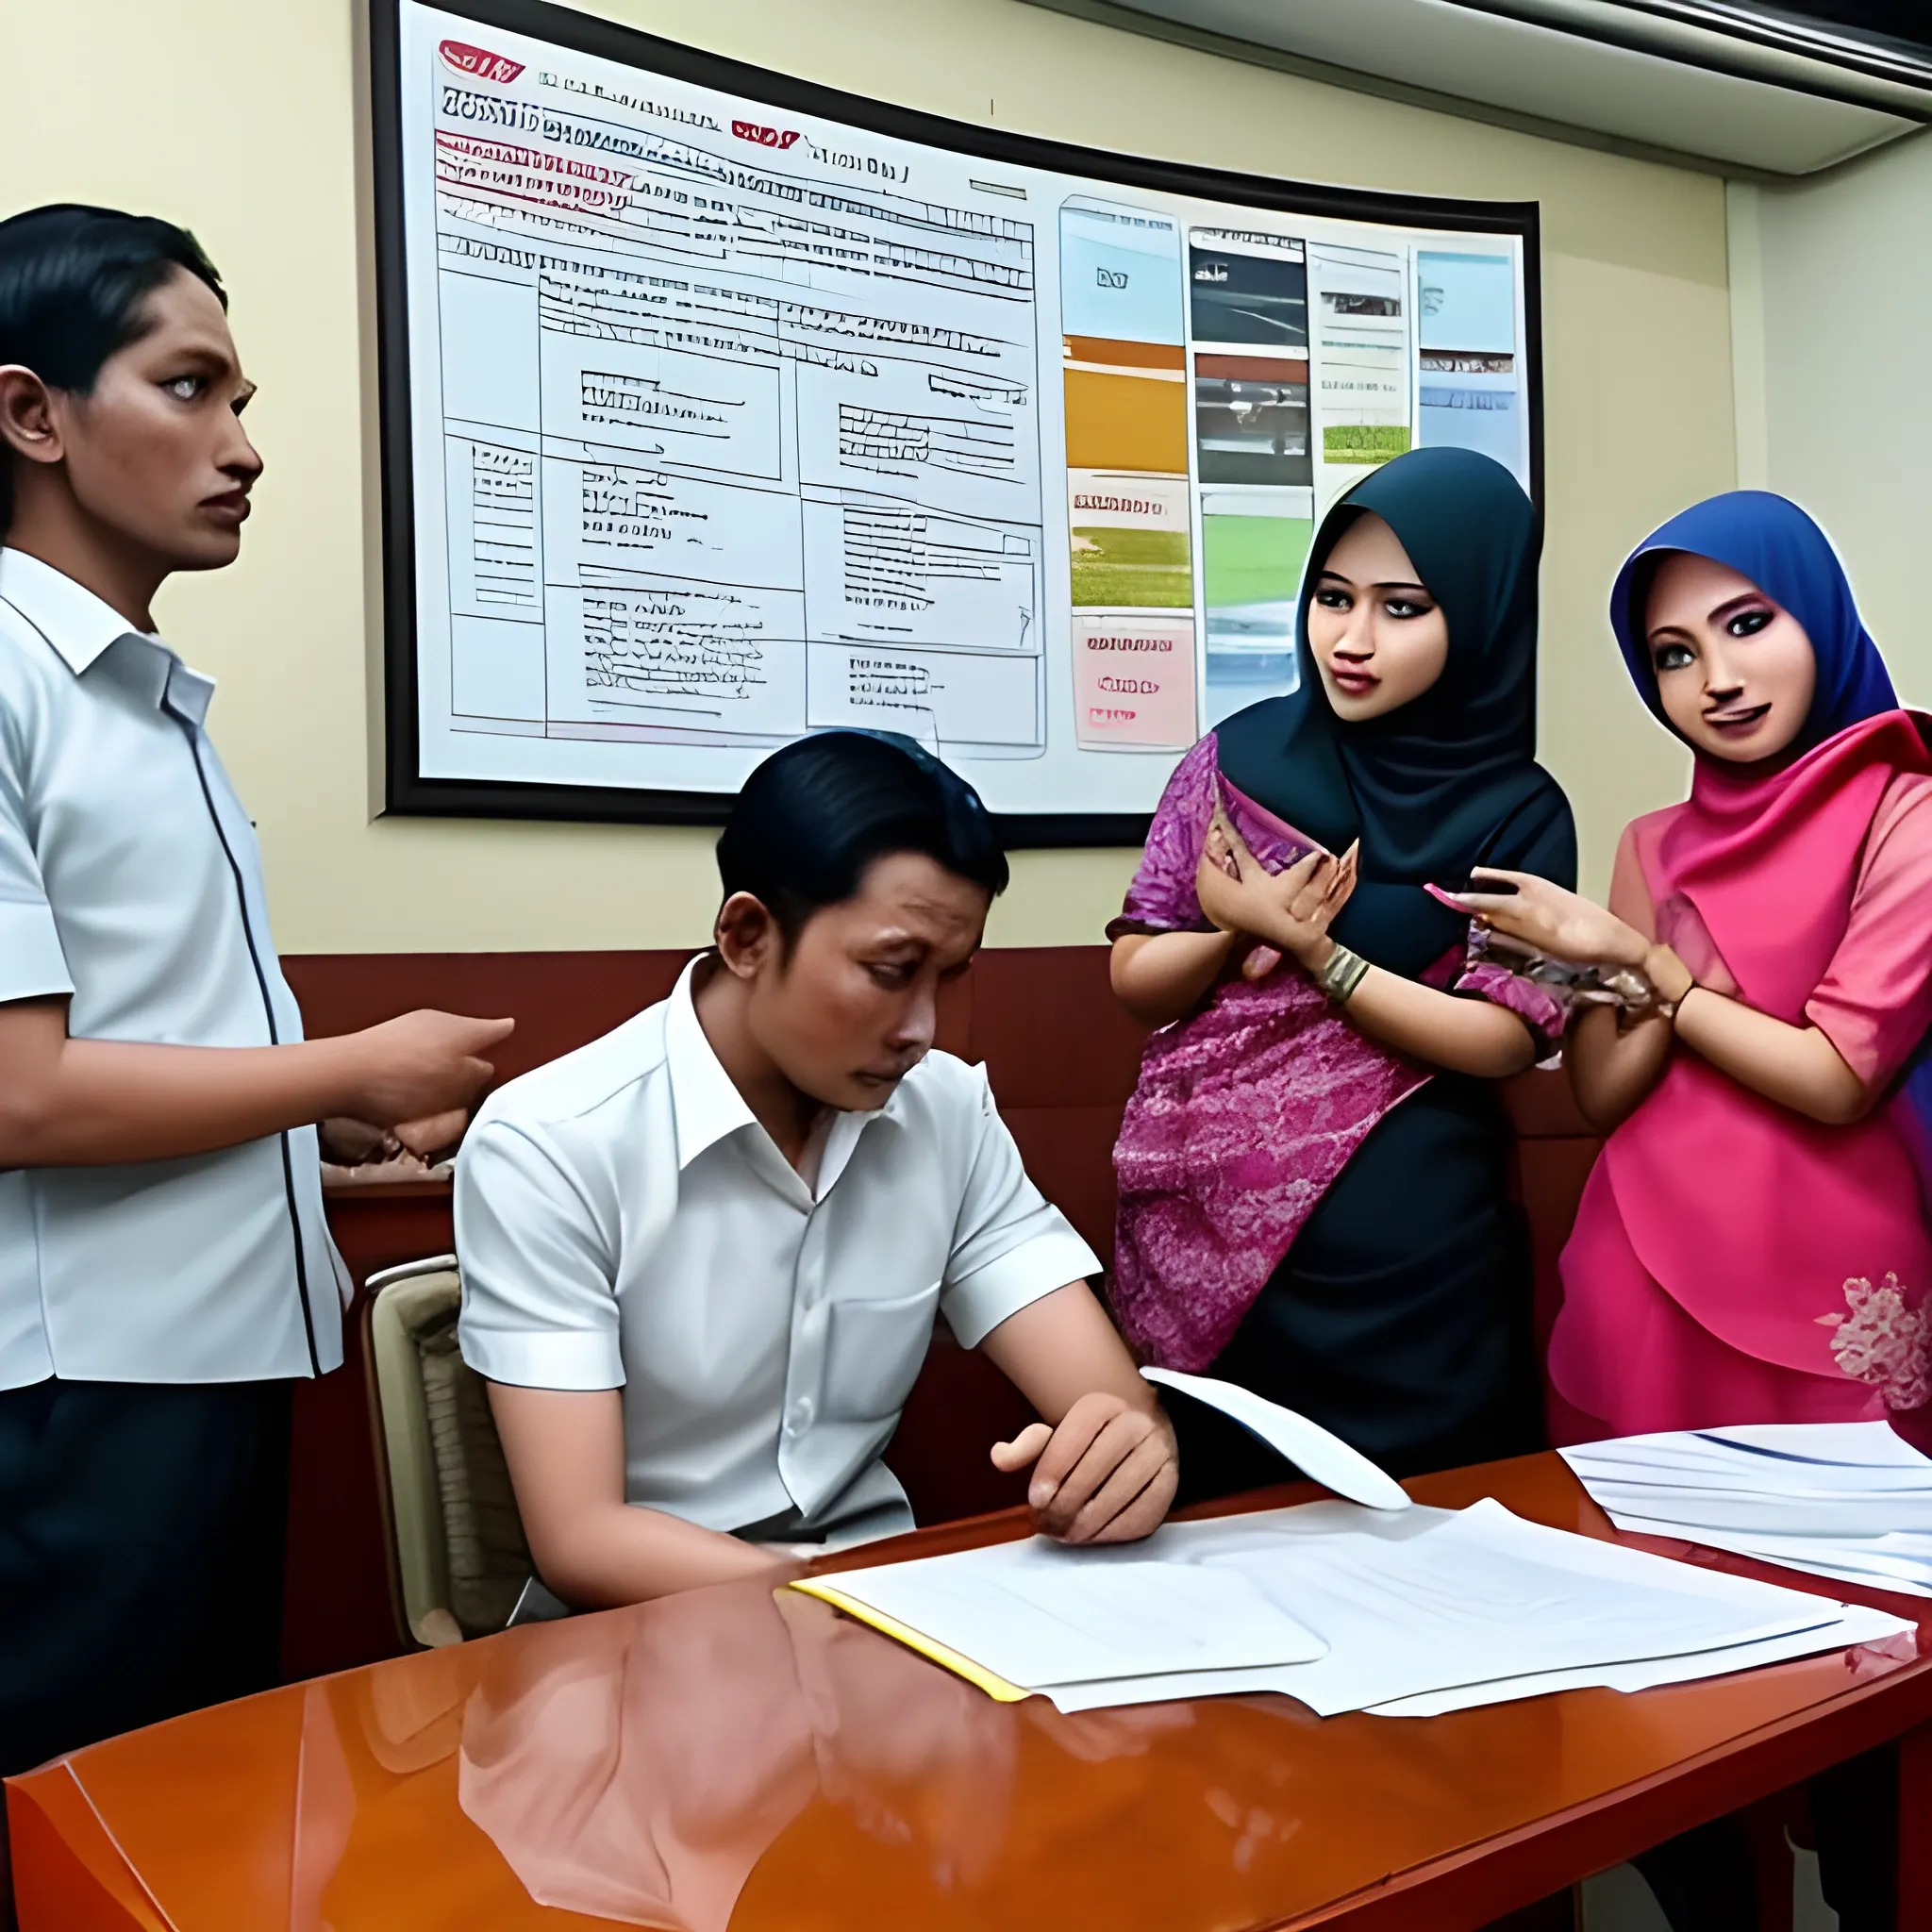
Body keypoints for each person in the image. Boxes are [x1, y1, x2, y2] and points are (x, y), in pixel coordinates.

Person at [0, 204, 512, 1800]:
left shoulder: (143, 699)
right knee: (90, 1822)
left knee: (186, 1815)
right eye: (190, 388)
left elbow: (145, 1036)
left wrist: (327, 1110)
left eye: (245, 403)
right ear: (31, 413)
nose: (242, 446)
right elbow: (19, 1095)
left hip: (203, 1367)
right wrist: (339, 1061)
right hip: (84, 1396)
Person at [1454, 489, 1929, 1932]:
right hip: (1634, 1290)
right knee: (1668, 1684)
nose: (1713, 676)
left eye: (1746, 626)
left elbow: (1840, 1075)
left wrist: (1653, 969)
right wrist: (1651, 964)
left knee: (1866, 1693)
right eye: (1670, 653)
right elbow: (1600, 1090)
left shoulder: (1909, 804)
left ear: (1820, 620)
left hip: (1828, 1307)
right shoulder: (1654, 842)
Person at [455, 730, 1179, 1607]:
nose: (922, 1027)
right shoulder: (551, 1145)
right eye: (890, 971)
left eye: (947, 980)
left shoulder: (944, 1111)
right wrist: (860, 1608)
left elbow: (1107, 1400)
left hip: (884, 1628)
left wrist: (1133, 1451)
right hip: (639, 1641)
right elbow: (583, 1540)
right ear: (748, 936)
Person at [1106, 446, 1575, 1495]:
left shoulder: (1521, 809)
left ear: (1482, 615)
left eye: (1402, 608)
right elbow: (1136, 972)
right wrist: (1233, 931)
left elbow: (1505, 1034)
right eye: (1331, 597)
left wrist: (1319, 953)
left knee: (1440, 1554)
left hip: (1419, 1279)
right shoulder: (1229, 760)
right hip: (1211, 1260)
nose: (1350, 640)